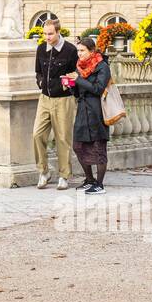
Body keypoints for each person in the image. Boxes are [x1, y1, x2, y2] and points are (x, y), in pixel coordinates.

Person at [32, 19, 78, 189]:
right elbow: (38, 72)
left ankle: (64, 175)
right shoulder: (41, 49)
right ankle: (43, 171)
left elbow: (75, 74)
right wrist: (40, 83)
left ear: (59, 32)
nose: (47, 37)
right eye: (45, 33)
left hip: (64, 100)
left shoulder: (70, 50)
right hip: (44, 99)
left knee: (63, 138)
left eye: (50, 34)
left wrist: (67, 84)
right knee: (37, 134)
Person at [62, 36, 111, 195]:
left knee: (98, 147)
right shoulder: (79, 67)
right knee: (78, 146)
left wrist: (79, 80)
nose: (79, 54)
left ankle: (99, 184)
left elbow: (97, 89)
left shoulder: (102, 66)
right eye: (78, 51)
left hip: (97, 111)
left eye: (82, 51)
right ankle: (89, 179)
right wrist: (70, 85)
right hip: (83, 109)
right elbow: (78, 92)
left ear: (91, 51)